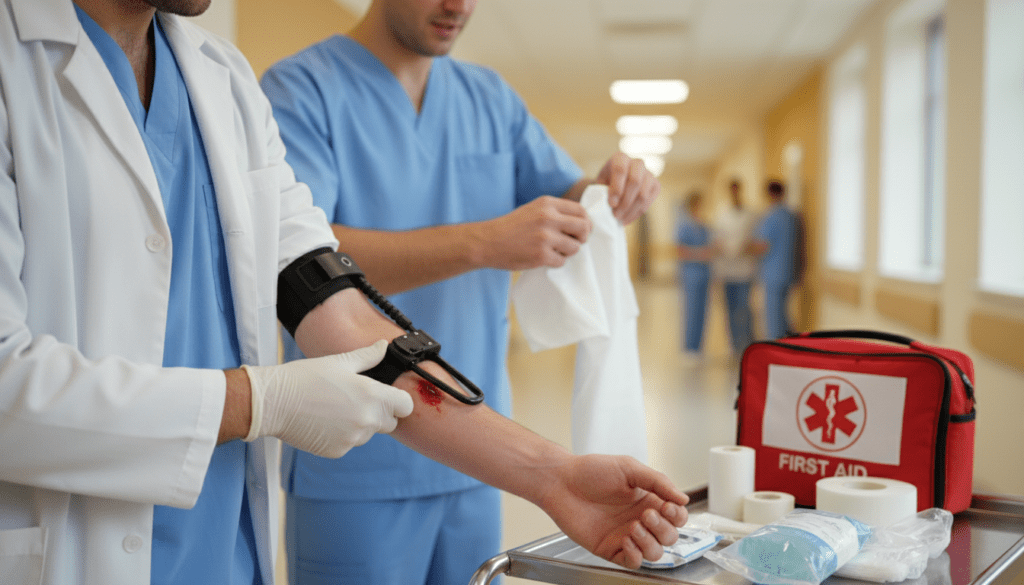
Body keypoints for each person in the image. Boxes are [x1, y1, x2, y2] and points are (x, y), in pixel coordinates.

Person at [0, 1, 689, 585]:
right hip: (68, 546)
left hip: (226, 543)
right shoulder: (14, 61)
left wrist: (554, 475)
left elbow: (332, 302)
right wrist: (260, 400)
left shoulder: (224, 83)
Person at [259, 0, 662, 582]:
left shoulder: (490, 98)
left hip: (480, 451)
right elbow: (302, 261)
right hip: (356, 455)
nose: (460, 6)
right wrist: (484, 243)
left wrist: (611, 190)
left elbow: (571, 198)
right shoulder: (302, 89)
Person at [752, 179, 803, 339]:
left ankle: (777, 352)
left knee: (774, 318)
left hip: (773, 274)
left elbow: (762, 246)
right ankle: (789, 347)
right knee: (785, 314)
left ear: (769, 194)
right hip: (788, 273)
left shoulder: (771, 216)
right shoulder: (792, 216)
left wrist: (745, 248)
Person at [712, 179, 756, 355]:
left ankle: (748, 345)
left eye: (737, 190)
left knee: (745, 309)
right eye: (731, 190)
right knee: (730, 311)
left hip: (745, 271)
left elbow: (754, 240)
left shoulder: (750, 215)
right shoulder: (722, 215)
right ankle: (735, 346)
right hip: (727, 271)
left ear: (740, 190)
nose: (734, 193)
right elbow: (716, 241)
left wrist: (741, 248)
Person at [674, 191, 715, 359]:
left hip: (704, 274)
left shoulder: (703, 225)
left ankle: (699, 348)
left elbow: (710, 247)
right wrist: (700, 254)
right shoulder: (684, 226)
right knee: (691, 312)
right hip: (691, 274)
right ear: (691, 205)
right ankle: (689, 349)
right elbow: (679, 250)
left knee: (703, 312)